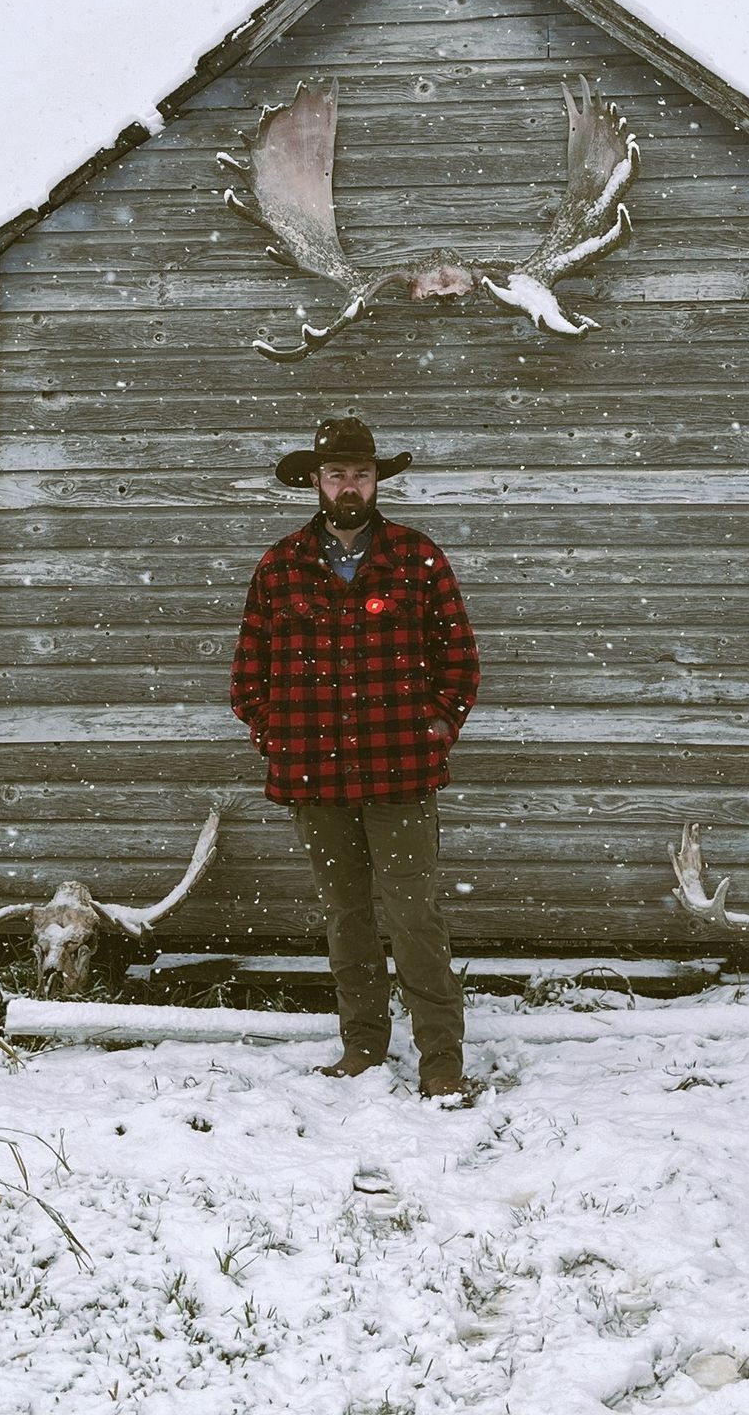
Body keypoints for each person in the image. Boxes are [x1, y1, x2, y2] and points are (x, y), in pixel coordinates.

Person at [231, 417, 480, 1101]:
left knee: (413, 914)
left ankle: (440, 1059)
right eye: (336, 474)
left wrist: (435, 729)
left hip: (402, 773)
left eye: (361, 474)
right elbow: (248, 678)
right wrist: (276, 736)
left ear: (377, 481)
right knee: (346, 915)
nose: (349, 485)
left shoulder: (416, 557)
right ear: (315, 481)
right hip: (315, 778)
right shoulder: (280, 567)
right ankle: (363, 1045)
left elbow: (459, 663)